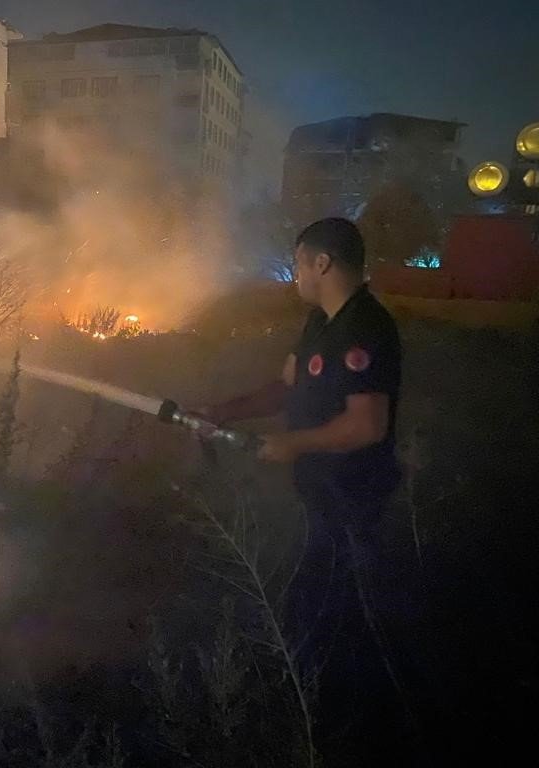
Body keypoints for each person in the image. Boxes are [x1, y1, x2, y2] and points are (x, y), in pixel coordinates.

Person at [199, 218, 410, 758]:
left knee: (341, 610)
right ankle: (320, 704)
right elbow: (284, 388)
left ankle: (353, 726)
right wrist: (225, 411)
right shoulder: (319, 324)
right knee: (317, 601)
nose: (294, 273)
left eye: (298, 262)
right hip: (320, 497)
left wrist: (293, 444)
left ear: (323, 264)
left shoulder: (366, 329)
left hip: (354, 499)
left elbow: (367, 425)